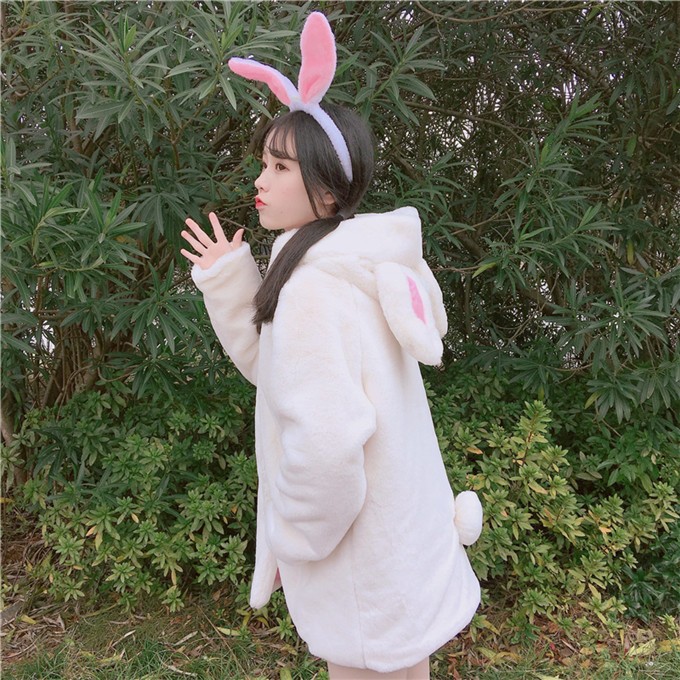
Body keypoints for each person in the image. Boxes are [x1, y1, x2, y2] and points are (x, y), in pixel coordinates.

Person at [180, 12, 482, 680]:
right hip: (399, 546)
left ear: (325, 190)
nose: (260, 180)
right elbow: (282, 373)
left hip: (361, 566)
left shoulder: (315, 290)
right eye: (263, 163)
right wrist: (232, 282)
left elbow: (325, 444)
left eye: (280, 166)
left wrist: (296, 536)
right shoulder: (358, 265)